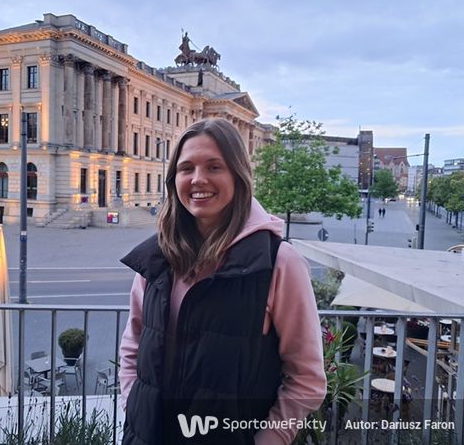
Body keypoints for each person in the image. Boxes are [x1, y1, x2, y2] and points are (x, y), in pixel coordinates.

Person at [119, 118, 327, 444]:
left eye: (214, 167)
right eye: (187, 168)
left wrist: (268, 440)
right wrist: (133, 405)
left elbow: (307, 378)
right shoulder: (156, 257)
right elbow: (133, 345)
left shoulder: (279, 263)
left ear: (238, 175)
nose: (198, 179)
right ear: (175, 180)